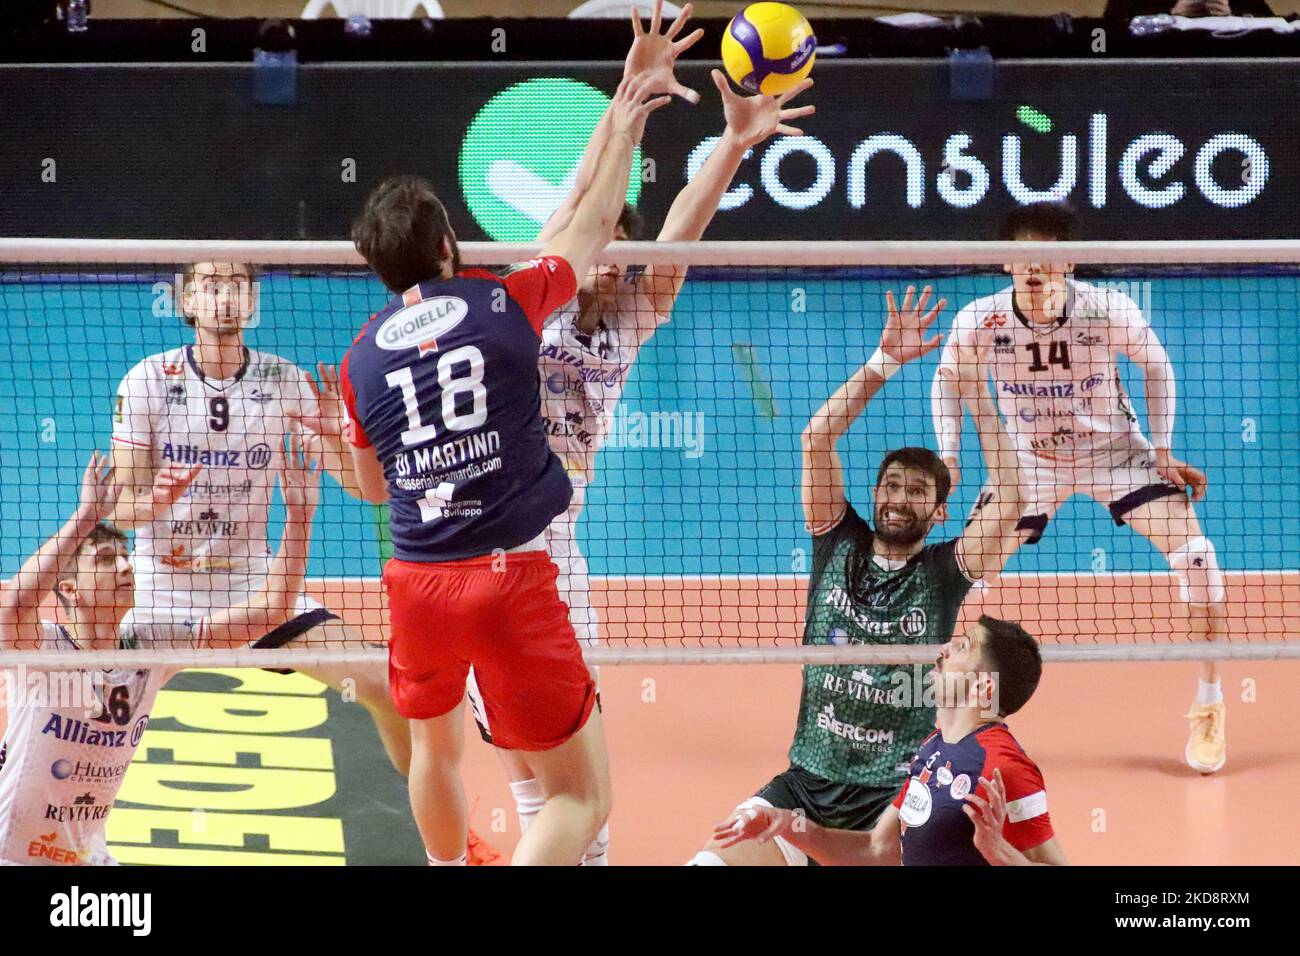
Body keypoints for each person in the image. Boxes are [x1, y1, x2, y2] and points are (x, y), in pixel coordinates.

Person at [465, 0, 814, 867]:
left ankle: (579, 848)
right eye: (599, 241)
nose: (608, 256)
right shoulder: (533, 286)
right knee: (522, 746)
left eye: (620, 244)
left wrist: (732, 142)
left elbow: (681, 231)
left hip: (558, 554)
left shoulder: (629, 319)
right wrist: (626, 96)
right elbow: (583, 201)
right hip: (481, 539)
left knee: (570, 752)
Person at [341, 75, 670, 867]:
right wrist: (624, 121)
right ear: (450, 245)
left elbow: (374, 487)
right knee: (581, 798)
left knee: (435, 753)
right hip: (507, 578)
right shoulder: (504, 302)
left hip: (416, 581)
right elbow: (589, 223)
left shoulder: (360, 361)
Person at [687, 285, 1028, 866]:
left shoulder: (944, 574)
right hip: (802, 787)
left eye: (917, 491)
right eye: (890, 486)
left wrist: (973, 392)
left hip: (893, 803)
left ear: (939, 511)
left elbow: (1013, 497)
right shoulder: (835, 541)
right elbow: (816, 439)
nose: (899, 498)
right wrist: (884, 362)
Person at [930, 201, 1226, 773]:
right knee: (960, 575)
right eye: (1022, 255)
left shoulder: (1106, 310)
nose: (1035, 266)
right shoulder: (980, 321)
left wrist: (1161, 450)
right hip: (1027, 465)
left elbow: (1157, 364)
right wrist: (950, 460)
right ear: (1004, 262)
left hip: (1114, 454)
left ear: (1067, 263)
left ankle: (1210, 706)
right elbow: (947, 381)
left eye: (1048, 254)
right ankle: (939, 716)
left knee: (1198, 559)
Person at [107, 260, 412, 776]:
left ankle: (447, 845)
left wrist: (340, 435)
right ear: (187, 302)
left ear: (252, 303)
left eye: (239, 285)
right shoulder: (148, 381)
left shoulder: (284, 381)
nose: (225, 296)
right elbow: (117, 506)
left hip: (255, 590)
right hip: (158, 593)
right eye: (211, 284)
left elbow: (367, 490)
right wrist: (154, 503)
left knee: (387, 684)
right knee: (80, 705)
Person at [0, 441, 320, 866]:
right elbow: (14, 607)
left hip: (86, 856)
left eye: (127, 557)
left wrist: (299, 520)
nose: (126, 567)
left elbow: (272, 611)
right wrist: (85, 519)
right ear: (69, 590)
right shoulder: (40, 652)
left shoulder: (148, 645)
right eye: (107, 560)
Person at [713, 616, 1067, 866]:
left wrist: (999, 853)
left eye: (962, 647)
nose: (944, 649)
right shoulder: (932, 748)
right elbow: (876, 850)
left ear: (983, 686)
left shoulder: (1006, 767)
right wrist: (787, 822)